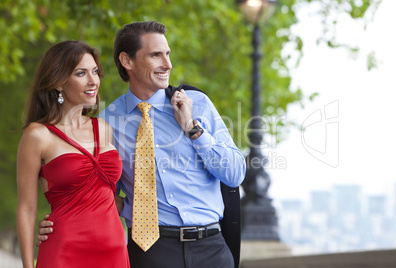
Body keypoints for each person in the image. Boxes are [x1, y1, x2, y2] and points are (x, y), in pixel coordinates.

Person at [37, 21, 246, 268]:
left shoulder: (197, 103)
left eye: (167, 54)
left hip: (212, 249)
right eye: (156, 55)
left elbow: (234, 174)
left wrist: (192, 128)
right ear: (127, 61)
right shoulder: (106, 123)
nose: (167, 64)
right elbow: (95, 192)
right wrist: (61, 220)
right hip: (150, 251)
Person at [16, 40, 130, 268]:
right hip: (65, 253)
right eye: (81, 73)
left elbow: (104, 196)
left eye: (95, 72)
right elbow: (27, 209)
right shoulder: (38, 135)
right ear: (58, 82)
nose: (93, 81)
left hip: (114, 252)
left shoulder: (104, 129)